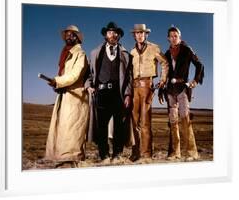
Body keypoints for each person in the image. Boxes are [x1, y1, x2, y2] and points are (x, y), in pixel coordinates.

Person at [85, 22, 133, 162]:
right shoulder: (95, 53)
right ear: (106, 35)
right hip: (101, 93)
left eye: (115, 32)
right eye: (110, 32)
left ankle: (117, 154)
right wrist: (89, 86)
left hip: (118, 93)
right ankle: (104, 155)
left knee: (119, 125)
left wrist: (128, 94)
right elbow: (88, 74)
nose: (112, 35)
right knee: (101, 126)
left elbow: (129, 77)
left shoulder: (126, 55)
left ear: (118, 35)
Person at [45, 25, 89, 168]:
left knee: (73, 127)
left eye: (71, 34)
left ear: (77, 37)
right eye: (67, 34)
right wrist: (57, 83)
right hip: (65, 93)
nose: (68, 36)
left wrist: (57, 81)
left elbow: (75, 75)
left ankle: (72, 159)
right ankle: (61, 158)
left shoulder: (80, 54)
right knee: (63, 126)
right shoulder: (65, 53)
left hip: (76, 96)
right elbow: (64, 74)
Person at [159, 26, 204, 161]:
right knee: (173, 122)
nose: (173, 38)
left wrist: (195, 81)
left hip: (183, 89)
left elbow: (200, 65)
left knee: (185, 120)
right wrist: (162, 90)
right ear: (168, 38)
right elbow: (165, 74)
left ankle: (192, 152)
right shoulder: (167, 53)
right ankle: (175, 153)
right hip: (170, 91)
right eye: (171, 36)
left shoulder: (187, 50)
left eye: (176, 36)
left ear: (180, 37)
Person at [129, 24, 168, 162]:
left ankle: (146, 154)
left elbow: (164, 63)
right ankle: (135, 152)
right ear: (134, 35)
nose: (139, 35)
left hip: (147, 87)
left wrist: (163, 80)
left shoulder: (154, 48)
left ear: (146, 34)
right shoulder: (132, 52)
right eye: (137, 33)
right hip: (134, 88)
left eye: (142, 33)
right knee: (133, 122)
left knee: (145, 122)